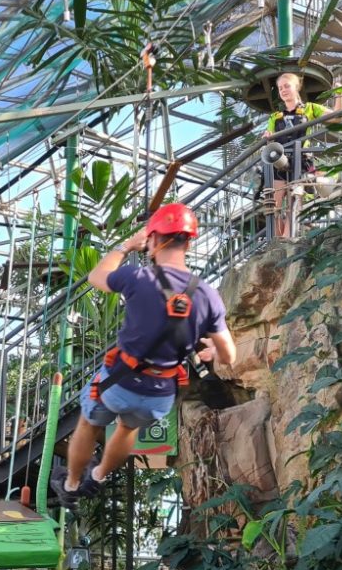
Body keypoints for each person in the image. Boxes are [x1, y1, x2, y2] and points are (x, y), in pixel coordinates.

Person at [50, 203, 236, 508]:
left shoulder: (138, 278)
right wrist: (213, 348)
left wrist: (125, 246)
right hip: (160, 396)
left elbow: (97, 277)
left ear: (153, 240)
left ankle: (71, 484)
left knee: (88, 423)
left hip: (119, 384)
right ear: (189, 242)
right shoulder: (208, 295)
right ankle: (97, 477)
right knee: (127, 428)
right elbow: (228, 356)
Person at [262, 72, 328, 238]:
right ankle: (277, 241)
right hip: (279, 160)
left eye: (287, 86)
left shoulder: (310, 108)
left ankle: (287, 238)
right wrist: (267, 137)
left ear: (296, 87)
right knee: (273, 205)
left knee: (294, 201)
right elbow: (269, 136)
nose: (283, 90)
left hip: (301, 160)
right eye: (280, 88)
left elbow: (337, 116)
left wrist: (340, 94)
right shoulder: (275, 116)